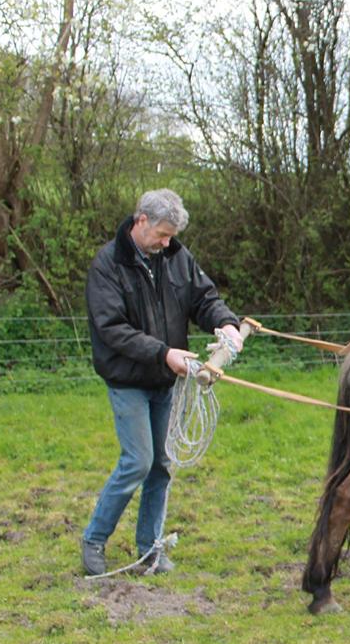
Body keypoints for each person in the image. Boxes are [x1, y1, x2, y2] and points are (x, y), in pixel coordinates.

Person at [81, 189, 243, 575]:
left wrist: (226, 322)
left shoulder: (176, 258)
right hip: (128, 379)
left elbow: (203, 298)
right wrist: (163, 353)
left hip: (166, 382)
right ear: (141, 221)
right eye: (162, 234)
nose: (167, 242)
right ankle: (94, 540)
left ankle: (150, 549)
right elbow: (112, 329)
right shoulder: (107, 266)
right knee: (138, 461)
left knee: (162, 465)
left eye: (171, 236)